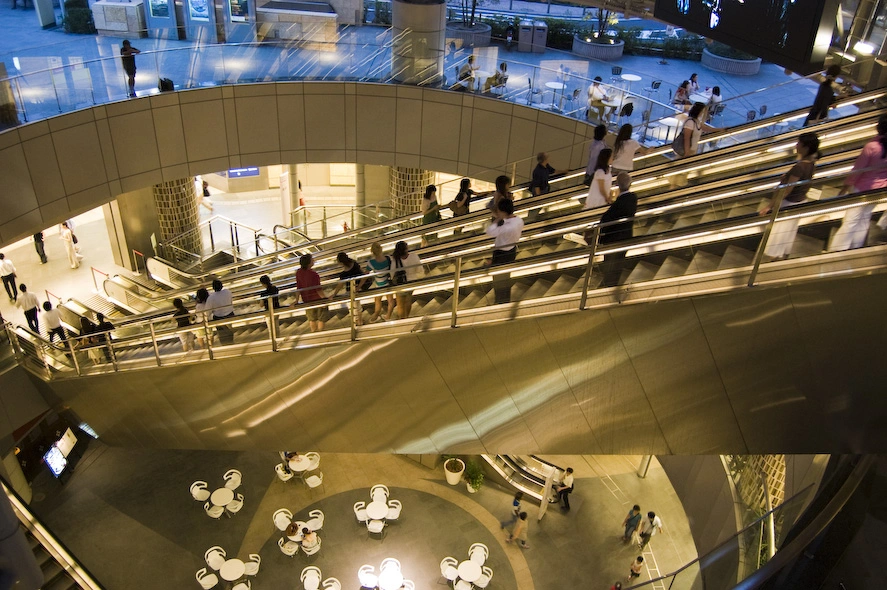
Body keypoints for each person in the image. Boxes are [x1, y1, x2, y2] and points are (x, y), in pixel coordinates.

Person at [829, 114, 887, 251]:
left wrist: (845, 187)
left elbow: (858, 170)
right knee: (864, 219)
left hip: (861, 189)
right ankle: (856, 247)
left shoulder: (871, 147)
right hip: (879, 190)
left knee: (851, 220)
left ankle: (837, 249)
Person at [759, 133, 820, 259]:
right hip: (800, 200)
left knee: (779, 230)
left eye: (799, 144)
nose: (796, 145)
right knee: (789, 229)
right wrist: (786, 177)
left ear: (806, 147)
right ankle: (783, 253)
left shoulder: (799, 167)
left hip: (789, 202)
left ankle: (774, 254)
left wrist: (770, 206)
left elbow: (787, 190)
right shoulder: (811, 163)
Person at [595, 171, 638, 287]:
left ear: (618, 185)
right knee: (617, 264)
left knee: (610, 265)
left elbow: (606, 219)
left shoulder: (620, 203)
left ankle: (607, 286)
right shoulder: (632, 199)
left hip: (613, 238)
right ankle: (610, 285)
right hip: (625, 236)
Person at [486, 199, 524, 305]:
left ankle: (500, 301)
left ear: (503, 212)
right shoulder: (519, 220)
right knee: (506, 276)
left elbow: (490, 231)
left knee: (498, 278)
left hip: (501, 252)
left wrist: (497, 219)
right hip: (512, 250)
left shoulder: (507, 227)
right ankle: (506, 299)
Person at [295, 253, 328, 332]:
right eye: (312, 259)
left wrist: (296, 300)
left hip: (307, 300)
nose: (314, 260)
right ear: (308, 262)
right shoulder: (314, 274)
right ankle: (320, 333)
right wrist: (324, 299)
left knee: (311, 319)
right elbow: (318, 289)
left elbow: (298, 287)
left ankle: (313, 332)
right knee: (321, 318)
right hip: (317, 299)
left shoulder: (298, 273)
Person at [391, 241, 423, 319]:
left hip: (399, 283)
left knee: (400, 303)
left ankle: (402, 318)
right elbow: (420, 269)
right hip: (411, 281)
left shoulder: (395, 259)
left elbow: (392, 272)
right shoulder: (414, 256)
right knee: (408, 300)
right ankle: (406, 317)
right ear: (406, 249)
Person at [365, 242, 394, 322]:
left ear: (372, 252)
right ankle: (388, 316)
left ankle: (374, 318)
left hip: (379, 284)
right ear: (381, 249)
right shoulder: (388, 258)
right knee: (390, 301)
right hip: (388, 282)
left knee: (377, 301)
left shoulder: (371, 263)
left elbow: (365, 274)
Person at [207, 279, 235, 344]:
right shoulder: (227, 292)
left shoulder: (211, 298)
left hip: (218, 318)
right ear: (222, 286)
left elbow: (207, 311)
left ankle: (225, 344)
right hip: (230, 314)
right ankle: (231, 342)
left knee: (222, 334)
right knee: (229, 330)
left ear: (213, 288)